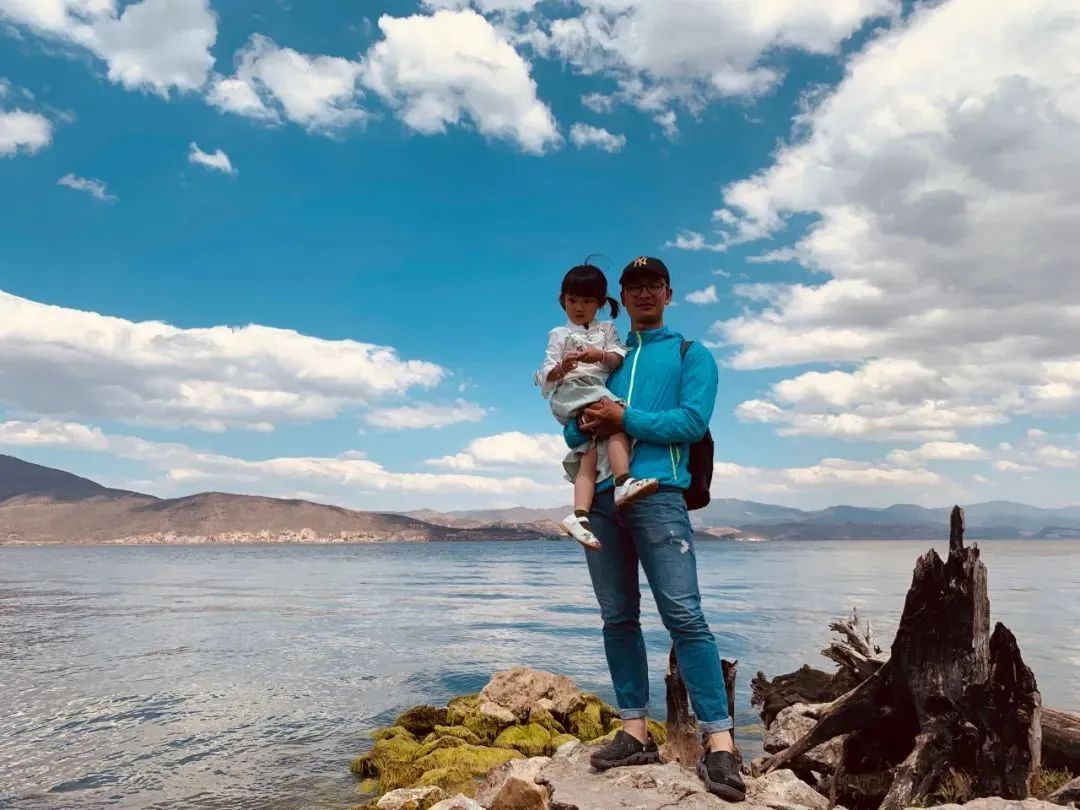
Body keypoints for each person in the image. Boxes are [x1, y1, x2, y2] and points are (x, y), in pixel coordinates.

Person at [563, 256, 745, 802]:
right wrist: (585, 420)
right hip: (601, 499)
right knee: (617, 617)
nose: (644, 293)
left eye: (653, 285)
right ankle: (635, 731)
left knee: (685, 617)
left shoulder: (691, 353)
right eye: (634, 286)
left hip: (659, 494)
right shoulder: (610, 355)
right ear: (621, 297)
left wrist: (625, 419)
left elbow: (692, 422)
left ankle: (720, 744)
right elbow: (574, 422)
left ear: (668, 293)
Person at [535, 263, 660, 551]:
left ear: (600, 303)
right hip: (573, 390)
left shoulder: (607, 330)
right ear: (562, 300)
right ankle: (623, 481)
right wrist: (561, 368)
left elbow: (617, 357)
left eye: (587, 301)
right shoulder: (559, 334)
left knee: (589, 453)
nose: (579, 307)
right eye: (573, 300)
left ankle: (579, 515)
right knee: (616, 419)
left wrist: (599, 355)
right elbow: (546, 373)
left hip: (591, 390)